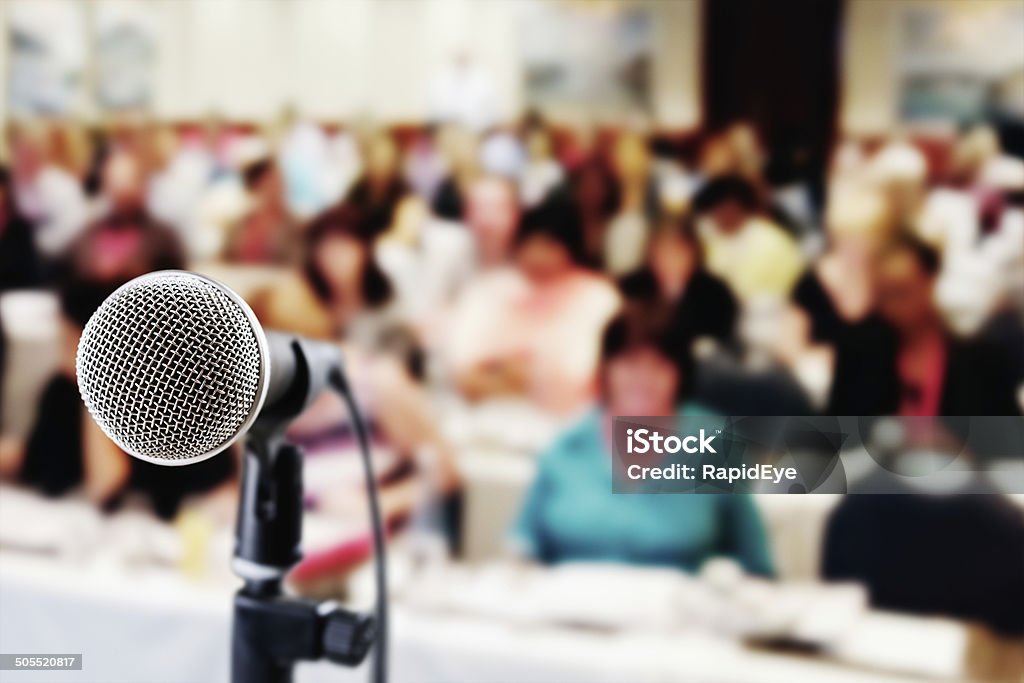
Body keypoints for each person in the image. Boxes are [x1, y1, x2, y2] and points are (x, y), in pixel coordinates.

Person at [510, 307, 774, 575]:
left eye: (659, 365)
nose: (643, 379)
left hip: (677, 610)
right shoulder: (568, 443)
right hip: (567, 609)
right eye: (629, 363)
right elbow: (523, 546)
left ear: (680, 372)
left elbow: (755, 562)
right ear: (606, 368)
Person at [447, 200, 620, 415]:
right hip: (483, 413)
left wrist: (531, 375)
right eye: (529, 244)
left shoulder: (597, 296)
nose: (537, 255)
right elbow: (463, 366)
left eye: (548, 246)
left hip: (568, 415)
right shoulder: (490, 288)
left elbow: (581, 371)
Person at [827, 234, 1021, 415]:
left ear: (929, 281)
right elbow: (834, 434)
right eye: (883, 296)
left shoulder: (980, 361)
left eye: (900, 292)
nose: (891, 307)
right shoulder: (860, 356)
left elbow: (1008, 441)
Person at [619, 218, 738, 349]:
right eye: (662, 251)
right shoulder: (631, 287)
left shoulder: (715, 293)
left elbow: (720, 338)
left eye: (677, 251)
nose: (669, 260)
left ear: (694, 252)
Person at [692, 174, 804, 303]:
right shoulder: (704, 236)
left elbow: (793, 287)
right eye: (716, 210)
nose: (722, 215)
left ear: (743, 208)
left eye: (728, 208)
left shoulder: (772, 242)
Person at [223, 158, 298, 264]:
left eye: (280, 181)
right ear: (255, 186)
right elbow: (225, 259)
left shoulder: (295, 226)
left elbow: (297, 264)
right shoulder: (239, 225)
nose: (279, 187)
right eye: (270, 181)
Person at [343, 130, 410, 241]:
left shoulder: (403, 192)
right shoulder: (357, 190)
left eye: (386, 158)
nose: (380, 163)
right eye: (376, 157)